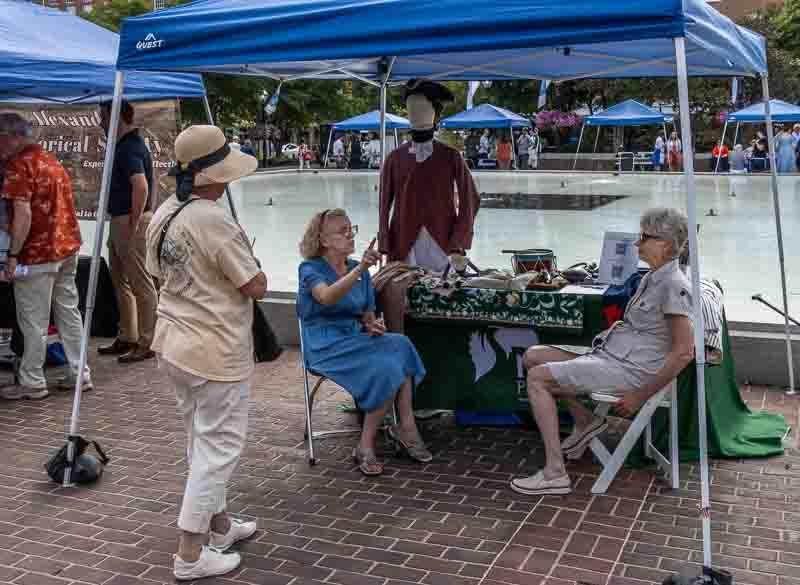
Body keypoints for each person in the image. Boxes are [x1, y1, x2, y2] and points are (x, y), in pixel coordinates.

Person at [145, 125, 265, 580]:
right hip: (214, 348)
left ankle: (220, 527)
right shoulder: (212, 219)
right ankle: (190, 554)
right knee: (218, 450)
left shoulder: (166, 210)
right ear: (213, 175)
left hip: (174, 342)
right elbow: (254, 284)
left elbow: (156, 269)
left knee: (201, 440)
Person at [511, 207, 694, 496]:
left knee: (538, 378)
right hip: (612, 358)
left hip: (631, 371)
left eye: (645, 237)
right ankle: (586, 420)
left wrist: (640, 394)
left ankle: (555, 472)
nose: (637, 243)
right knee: (533, 355)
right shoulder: (653, 277)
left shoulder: (673, 285)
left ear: (666, 244)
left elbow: (684, 352)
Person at [298, 209, 429, 475]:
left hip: (355, 337)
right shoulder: (310, 269)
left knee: (400, 345)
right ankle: (366, 445)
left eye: (351, 228)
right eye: (342, 231)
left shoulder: (361, 273)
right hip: (325, 345)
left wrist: (373, 324)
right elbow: (325, 297)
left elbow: (368, 316)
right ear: (323, 240)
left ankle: (406, 424)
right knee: (387, 365)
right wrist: (360, 268)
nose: (350, 235)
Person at [0, 113, 91, 400]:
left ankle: (32, 381)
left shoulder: (19, 165)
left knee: (34, 321)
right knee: (69, 313)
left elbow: (23, 213)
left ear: (12, 136)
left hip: (37, 253)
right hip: (66, 248)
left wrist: (13, 254)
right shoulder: (50, 160)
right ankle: (80, 373)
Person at [378, 80, 480, 334]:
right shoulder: (395, 158)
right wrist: (385, 243)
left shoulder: (451, 156)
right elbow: (383, 204)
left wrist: (459, 239)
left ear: (434, 113)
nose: (416, 113)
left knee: (444, 298)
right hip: (404, 242)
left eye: (422, 107)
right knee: (404, 302)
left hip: (443, 242)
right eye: (411, 107)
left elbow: (471, 199)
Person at [98, 100, 158, 364]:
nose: (100, 122)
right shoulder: (125, 145)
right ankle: (128, 335)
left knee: (141, 284)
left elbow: (141, 186)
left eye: (102, 116)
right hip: (122, 220)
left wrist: (134, 224)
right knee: (120, 280)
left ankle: (148, 341)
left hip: (129, 222)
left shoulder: (130, 147)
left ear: (115, 116)